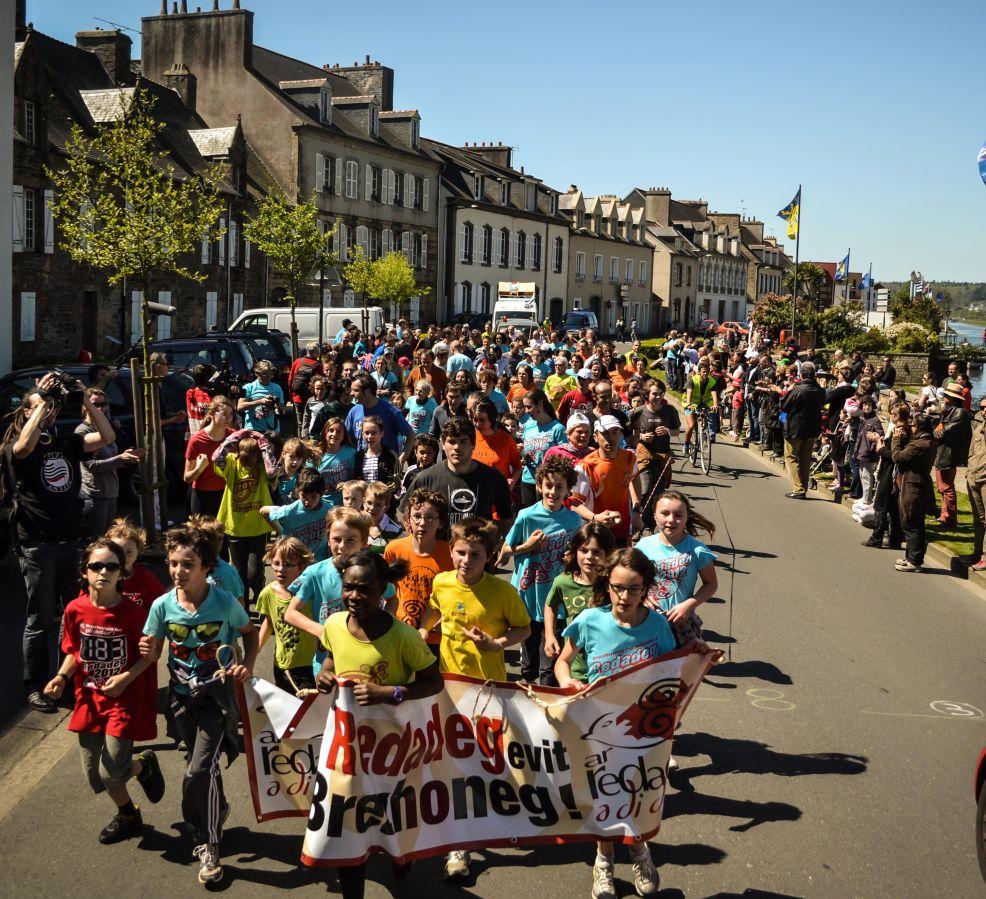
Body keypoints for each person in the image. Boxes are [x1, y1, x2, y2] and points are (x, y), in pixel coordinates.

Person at [315, 549, 443, 899]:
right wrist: (325, 677)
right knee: (348, 827)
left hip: (394, 752)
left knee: (392, 823)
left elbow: (434, 681)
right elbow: (330, 660)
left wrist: (392, 692)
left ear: (384, 589)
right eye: (348, 588)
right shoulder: (333, 625)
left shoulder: (403, 637)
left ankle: (401, 855)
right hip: (348, 751)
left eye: (364, 589)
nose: (354, 596)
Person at [554, 548, 675, 899]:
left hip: (646, 733)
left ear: (646, 589)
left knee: (638, 796)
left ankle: (639, 852)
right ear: (607, 585)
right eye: (617, 587)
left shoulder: (658, 625)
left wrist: (698, 655)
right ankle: (603, 863)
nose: (625, 596)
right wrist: (567, 682)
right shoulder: (590, 620)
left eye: (634, 589)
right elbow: (564, 661)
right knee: (605, 797)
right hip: (598, 729)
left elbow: (672, 670)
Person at [142, 525, 258, 885]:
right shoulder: (163, 606)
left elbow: (250, 634)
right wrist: (149, 651)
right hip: (180, 700)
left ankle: (209, 843)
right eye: (173, 563)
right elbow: (155, 647)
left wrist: (247, 665)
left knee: (197, 770)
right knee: (201, 766)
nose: (178, 571)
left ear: (206, 567)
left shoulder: (223, 602)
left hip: (216, 698)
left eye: (187, 564)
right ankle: (217, 808)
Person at [419, 517, 531, 881]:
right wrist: (424, 629)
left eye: (476, 555)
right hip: (449, 689)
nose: (466, 561)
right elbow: (436, 608)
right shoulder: (442, 581)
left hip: (489, 689)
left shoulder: (502, 592)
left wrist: (496, 644)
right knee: (456, 761)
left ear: (490, 557)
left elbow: (524, 628)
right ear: (450, 551)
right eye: (460, 553)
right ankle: (460, 842)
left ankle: (503, 808)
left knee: (487, 758)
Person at [5, 372, 115, 712]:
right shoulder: (14, 448)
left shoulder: (66, 441)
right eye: (39, 409)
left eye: (52, 408)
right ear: (26, 414)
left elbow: (108, 434)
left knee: (73, 616)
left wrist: (83, 398)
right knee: (40, 620)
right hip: (37, 546)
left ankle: (65, 682)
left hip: (71, 542)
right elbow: (24, 446)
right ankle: (36, 685)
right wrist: (40, 396)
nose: (50, 411)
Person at [44, 538, 163, 844]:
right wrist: (61, 676)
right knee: (95, 776)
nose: (103, 572)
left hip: (124, 700)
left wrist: (125, 678)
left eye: (112, 566)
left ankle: (129, 805)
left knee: (112, 773)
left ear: (122, 573)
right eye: (96, 566)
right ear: (85, 572)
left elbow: (149, 657)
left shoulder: (134, 614)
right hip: (89, 698)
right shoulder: (75, 610)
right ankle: (134, 793)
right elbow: (75, 651)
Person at [499, 458, 582, 684]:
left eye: (559, 487)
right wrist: (528, 547)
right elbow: (504, 552)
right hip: (528, 595)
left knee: (550, 663)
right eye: (548, 486)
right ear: (539, 486)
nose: (553, 492)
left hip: (554, 600)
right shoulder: (527, 516)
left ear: (567, 490)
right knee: (529, 665)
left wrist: (571, 558)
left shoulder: (574, 520)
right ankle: (527, 699)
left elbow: (579, 558)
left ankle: (547, 708)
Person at [402, 418, 514, 534]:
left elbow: (507, 518)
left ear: (473, 444)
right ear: (443, 444)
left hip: (478, 550)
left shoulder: (493, 478)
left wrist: (495, 546)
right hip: (437, 550)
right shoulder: (425, 478)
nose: (457, 447)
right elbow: (406, 513)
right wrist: (417, 544)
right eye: (452, 441)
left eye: (463, 441)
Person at [212, 429, 277, 610]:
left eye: (252, 457)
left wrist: (263, 444)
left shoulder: (262, 466)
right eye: (244, 456)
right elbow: (216, 458)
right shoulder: (232, 462)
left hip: (257, 527)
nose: (248, 461)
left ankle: (260, 599)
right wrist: (232, 439)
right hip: (235, 526)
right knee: (239, 573)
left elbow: (272, 472)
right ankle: (243, 609)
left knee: (254, 573)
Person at [541, 521, 616, 678]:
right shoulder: (563, 582)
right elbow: (550, 605)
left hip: (610, 666)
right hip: (576, 666)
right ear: (575, 552)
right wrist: (549, 635)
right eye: (584, 550)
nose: (589, 557)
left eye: (597, 552)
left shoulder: (615, 584)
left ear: (608, 554)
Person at [385, 488, 453, 652]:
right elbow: (387, 590)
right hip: (401, 631)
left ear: (441, 522)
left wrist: (445, 619)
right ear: (408, 519)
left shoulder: (450, 554)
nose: (423, 523)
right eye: (417, 517)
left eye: (430, 517)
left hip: (436, 637)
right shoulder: (394, 549)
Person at [76, 387, 143, 538]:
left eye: (103, 404)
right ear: (85, 406)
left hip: (111, 493)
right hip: (94, 496)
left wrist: (128, 457)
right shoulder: (82, 432)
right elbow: (91, 465)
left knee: (109, 539)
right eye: (95, 404)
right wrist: (120, 459)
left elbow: (112, 459)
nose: (100, 408)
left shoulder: (106, 428)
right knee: (95, 541)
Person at [256, 536, 317, 695]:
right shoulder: (268, 593)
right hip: (282, 664)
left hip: (309, 663)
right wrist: (254, 651)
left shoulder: (311, 592)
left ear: (302, 566)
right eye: (276, 563)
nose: (280, 569)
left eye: (288, 564)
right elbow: (268, 623)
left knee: (307, 711)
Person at [571, 416, 641, 545]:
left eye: (615, 432)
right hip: (596, 533)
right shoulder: (585, 466)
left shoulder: (629, 458)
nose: (611, 438)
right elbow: (575, 503)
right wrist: (595, 517)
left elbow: (635, 479)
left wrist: (637, 510)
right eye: (605, 433)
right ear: (595, 437)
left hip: (623, 530)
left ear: (620, 434)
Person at [630, 382, 680, 529]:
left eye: (660, 393)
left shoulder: (670, 411)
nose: (658, 397)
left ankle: (650, 526)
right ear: (647, 394)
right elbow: (632, 437)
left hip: (663, 455)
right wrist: (642, 437)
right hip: (645, 454)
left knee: (658, 493)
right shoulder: (638, 411)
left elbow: (677, 431)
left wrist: (668, 431)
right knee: (645, 491)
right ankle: (638, 524)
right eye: (654, 394)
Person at [892, 410, 936, 573]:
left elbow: (898, 457)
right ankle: (911, 557)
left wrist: (896, 439)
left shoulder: (920, 445)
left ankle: (915, 560)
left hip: (913, 486)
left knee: (911, 522)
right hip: (915, 484)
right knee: (914, 522)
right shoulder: (926, 441)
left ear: (919, 427)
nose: (910, 428)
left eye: (912, 425)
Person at [779, 361, 825, 499]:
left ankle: (798, 489)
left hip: (795, 428)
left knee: (791, 457)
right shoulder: (819, 390)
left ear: (802, 374)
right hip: (812, 429)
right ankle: (803, 488)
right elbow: (824, 401)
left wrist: (788, 390)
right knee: (805, 459)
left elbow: (784, 406)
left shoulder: (797, 389)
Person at [184, 396, 235, 518]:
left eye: (231, 414)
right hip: (202, 497)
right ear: (212, 414)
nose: (228, 418)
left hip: (227, 494)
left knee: (224, 536)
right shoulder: (196, 440)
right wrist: (199, 468)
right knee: (202, 536)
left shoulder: (233, 437)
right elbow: (187, 478)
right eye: (224, 414)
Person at [261, 468, 329, 558]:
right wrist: (280, 530)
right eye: (304, 496)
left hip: (318, 563)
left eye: (313, 496)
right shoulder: (290, 510)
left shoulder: (329, 511)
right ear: (297, 491)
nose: (308, 502)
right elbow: (263, 511)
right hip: (294, 563)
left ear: (322, 493)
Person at [519, 389, 566, 508]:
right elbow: (527, 449)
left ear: (540, 404)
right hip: (528, 479)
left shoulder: (558, 429)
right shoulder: (528, 426)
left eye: (529, 407)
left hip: (548, 484)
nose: (526, 411)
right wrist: (523, 453)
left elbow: (564, 457)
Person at [933, 383, 972, 527]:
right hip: (943, 452)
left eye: (946, 396)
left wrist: (933, 432)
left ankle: (950, 519)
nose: (944, 398)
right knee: (942, 487)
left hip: (949, 454)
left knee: (946, 487)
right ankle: (945, 515)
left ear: (952, 398)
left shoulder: (959, 413)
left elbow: (945, 432)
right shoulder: (950, 410)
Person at [345, 374, 413, 455]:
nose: (351, 394)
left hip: (386, 464)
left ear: (368, 392)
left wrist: (402, 459)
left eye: (355, 390)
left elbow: (411, 435)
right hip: (362, 463)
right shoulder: (354, 411)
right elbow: (345, 437)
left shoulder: (390, 411)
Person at [471, 398, 522, 495]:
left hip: (498, 497)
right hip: (476, 495)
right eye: (475, 420)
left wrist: (512, 481)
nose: (477, 424)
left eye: (482, 420)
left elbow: (517, 467)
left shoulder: (506, 440)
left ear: (492, 419)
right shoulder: (470, 437)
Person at [682, 357, 719, 458]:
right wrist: (689, 404)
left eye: (707, 372)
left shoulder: (711, 381)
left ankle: (704, 433)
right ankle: (686, 444)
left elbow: (714, 393)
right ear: (699, 372)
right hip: (691, 403)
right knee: (691, 425)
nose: (705, 374)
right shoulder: (692, 380)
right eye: (703, 372)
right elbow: (688, 392)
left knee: (705, 417)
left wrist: (715, 404)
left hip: (704, 403)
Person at [354, 416, 401, 493]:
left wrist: (377, 493)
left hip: (383, 500)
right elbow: (355, 479)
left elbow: (394, 482)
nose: (370, 436)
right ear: (362, 435)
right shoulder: (358, 456)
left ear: (381, 433)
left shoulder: (391, 455)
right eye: (366, 433)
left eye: (373, 433)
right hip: (364, 501)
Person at [318, 417, 356, 508]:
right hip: (321, 504)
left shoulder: (350, 453)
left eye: (339, 431)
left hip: (344, 503)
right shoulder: (316, 454)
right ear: (325, 433)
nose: (334, 434)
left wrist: (347, 485)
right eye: (331, 430)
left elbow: (355, 478)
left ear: (343, 436)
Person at [966, 397, 986, 570]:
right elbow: (971, 454)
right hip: (974, 480)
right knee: (979, 520)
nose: (984, 410)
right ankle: (977, 552)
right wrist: (969, 473)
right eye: (982, 407)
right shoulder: (978, 430)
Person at [853, 395, 884, 505]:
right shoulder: (862, 419)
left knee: (867, 476)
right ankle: (866, 497)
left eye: (869, 405)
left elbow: (880, 435)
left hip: (868, 454)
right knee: (862, 475)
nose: (867, 407)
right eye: (865, 405)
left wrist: (873, 446)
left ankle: (866, 499)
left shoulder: (875, 420)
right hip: (861, 451)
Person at [238, 360, 284, 434]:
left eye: (271, 373)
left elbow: (283, 410)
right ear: (257, 373)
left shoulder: (277, 388)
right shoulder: (247, 387)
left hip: (272, 430)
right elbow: (240, 407)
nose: (269, 376)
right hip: (253, 431)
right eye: (265, 374)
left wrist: (275, 405)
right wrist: (260, 402)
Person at [363, 482, 402, 548]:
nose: (372, 508)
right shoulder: (357, 523)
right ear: (363, 502)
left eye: (378, 505)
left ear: (385, 508)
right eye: (369, 503)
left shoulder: (395, 531)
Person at [186, 363, 216, 436]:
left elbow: (189, 413)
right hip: (210, 433)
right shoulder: (212, 394)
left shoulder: (190, 392)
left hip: (194, 431)